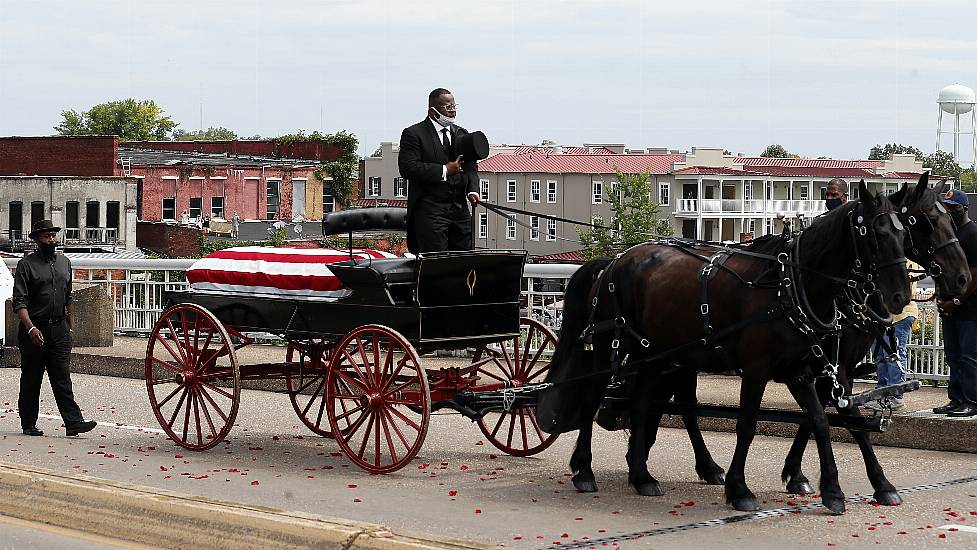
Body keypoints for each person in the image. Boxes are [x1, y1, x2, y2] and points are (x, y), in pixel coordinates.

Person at [12, 220, 97, 437]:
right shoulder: (26, 265)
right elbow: (19, 302)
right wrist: (30, 328)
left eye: (53, 236)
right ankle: (28, 423)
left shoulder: (64, 263)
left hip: (59, 328)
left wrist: (70, 325)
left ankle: (73, 422)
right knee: (32, 378)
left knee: (62, 377)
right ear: (37, 240)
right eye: (46, 237)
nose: (51, 240)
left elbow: (68, 296)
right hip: (34, 329)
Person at [398, 87, 480, 254]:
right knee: (436, 261)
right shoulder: (413, 134)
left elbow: (471, 167)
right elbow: (407, 168)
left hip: (459, 209)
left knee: (464, 258)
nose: (452, 111)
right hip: (430, 210)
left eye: (454, 106)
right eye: (447, 107)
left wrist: (473, 190)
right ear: (433, 111)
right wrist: (444, 170)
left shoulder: (462, 134)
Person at [935, 189, 977, 417]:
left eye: (954, 207)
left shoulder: (973, 233)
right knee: (953, 355)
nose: (950, 211)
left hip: (970, 308)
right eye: (947, 207)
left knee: (969, 357)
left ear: (965, 208)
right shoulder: (948, 233)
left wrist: (958, 300)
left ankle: (972, 401)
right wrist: (942, 297)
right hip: (950, 306)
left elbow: (975, 273)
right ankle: (956, 398)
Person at [865, 261, 920, 411]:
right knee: (881, 355)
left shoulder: (904, 261)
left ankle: (895, 396)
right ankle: (882, 393)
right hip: (884, 315)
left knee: (893, 354)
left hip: (900, 314)